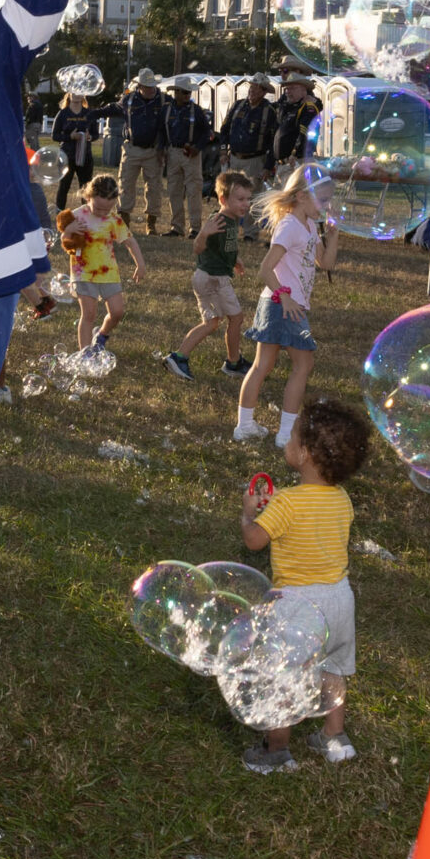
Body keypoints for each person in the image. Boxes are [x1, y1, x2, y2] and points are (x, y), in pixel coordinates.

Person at [236, 396, 371, 773]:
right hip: (339, 598)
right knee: (332, 670)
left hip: (297, 604)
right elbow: (314, 519)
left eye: (293, 435)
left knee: (282, 675)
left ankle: (277, 751)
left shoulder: (286, 504)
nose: (287, 440)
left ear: (306, 453)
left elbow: (254, 541)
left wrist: (249, 514)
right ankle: (335, 738)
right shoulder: (342, 499)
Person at [235, 174, 339, 446]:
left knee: (263, 365)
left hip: (280, 304)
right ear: (302, 196)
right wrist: (285, 298)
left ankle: (245, 426)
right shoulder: (290, 226)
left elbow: (326, 263)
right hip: (282, 305)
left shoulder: (309, 225)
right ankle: (285, 434)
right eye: (322, 199)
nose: (326, 206)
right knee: (303, 365)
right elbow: (265, 269)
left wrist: (333, 236)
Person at [169, 170, 256, 380]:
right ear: (223, 200)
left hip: (213, 277)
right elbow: (198, 248)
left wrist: (235, 259)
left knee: (215, 322)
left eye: (248, 199)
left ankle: (230, 361)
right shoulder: (218, 221)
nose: (246, 204)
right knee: (233, 319)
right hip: (211, 279)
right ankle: (185, 358)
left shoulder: (232, 219)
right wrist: (203, 233)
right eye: (240, 199)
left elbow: (223, 247)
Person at [56, 174, 143, 353]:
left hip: (109, 273)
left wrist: (140, 264)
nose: (103, 213)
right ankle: (85, 354)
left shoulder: (113, 219)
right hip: (83, 273)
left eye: (107, 209)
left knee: (117, 312)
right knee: (88, 315)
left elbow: (130, 242)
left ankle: (102, 335)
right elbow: (65, 242)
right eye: (98, 208)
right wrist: (68, 231)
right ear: (88, 197)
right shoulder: (76, 216)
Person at [161, 80, 216, 238]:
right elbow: (161, 130)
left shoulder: (196, 110)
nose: (187, 95)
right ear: (176, 92)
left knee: (194, 191)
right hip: (173, 152)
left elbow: (207, 132)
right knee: (174, 191)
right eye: (184, 92)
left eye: (189, 92)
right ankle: (177, 227)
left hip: (191, 154)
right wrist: (162, 149)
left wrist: (197, 147)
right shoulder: (167, 109)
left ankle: (195, 228)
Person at [117, 69, 168, 231]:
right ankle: (124, 220)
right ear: (139, 86)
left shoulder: (164, 100)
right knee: (126, 183)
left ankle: (151, 223)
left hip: (153, 150)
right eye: (147, 86)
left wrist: (162, 148)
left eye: (153, 85)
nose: (151, 89)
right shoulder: (128, 99)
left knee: (154, 187)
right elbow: (114, 108)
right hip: (131, 148)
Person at [48, 88, 112, 211]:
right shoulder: (63, 114)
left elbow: (95, 135)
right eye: (74, 92)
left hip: (85, 156)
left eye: (80, 93)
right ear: (69, 95)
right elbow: (54, 136)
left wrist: (89, 137)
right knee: (64, 186)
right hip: (67, 156)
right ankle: (60, 214)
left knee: (86, 188)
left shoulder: (89, 114)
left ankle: (86, 214)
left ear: (83, 96)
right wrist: (70, 137)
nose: (77, 95)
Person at [222, 78, 275, 193]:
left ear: (264, 92)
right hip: (234, 159)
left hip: (254, 162)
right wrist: (223, 151)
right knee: (233, 195)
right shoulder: (238, 105)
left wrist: (268, 167)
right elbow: (224, 129)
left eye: (257, 88)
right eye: (251, 87)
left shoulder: (269, 111)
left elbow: (273, 142)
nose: (252, 90)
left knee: (252, 197)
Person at [269, 75, 321, 174]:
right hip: (282, 165)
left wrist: (294, 153)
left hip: (295, 163)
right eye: (287, 89)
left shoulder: (307, 108)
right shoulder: (288, 107)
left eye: (292, 88)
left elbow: (304, 133)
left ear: (303, 91)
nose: (288, 92)